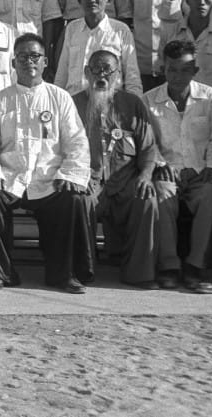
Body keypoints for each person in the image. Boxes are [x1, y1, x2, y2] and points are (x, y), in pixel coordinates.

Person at [0, 34, 92, 293]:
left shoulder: (60, 98)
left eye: (34, 56)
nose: (29, 62)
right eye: (23, 57)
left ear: (45, 61)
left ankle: (64, 274)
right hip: (11, 178)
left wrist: (69, 174)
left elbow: (77, 141)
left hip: (49, 179)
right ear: (14, 63)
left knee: (72, 199)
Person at [73, 49, 162, 289]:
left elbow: (148, 148)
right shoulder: (74, 104)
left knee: (147, 198)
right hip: (88, 180)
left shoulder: (132, 104)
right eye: (96, 69)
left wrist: (145, 176)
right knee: (78, 200)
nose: (101, 75)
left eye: (108, 70)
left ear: (118, 74)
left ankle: (139, 274)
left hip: (125, 179)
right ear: (86, 73)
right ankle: (84, 271)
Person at [144, 40, 212, 292]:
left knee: (210, 194)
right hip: (168, 169)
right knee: (162, 194)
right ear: (162, 69)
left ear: (195, 70)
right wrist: (159, 162)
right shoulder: (149, 100)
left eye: (184, 70)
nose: (177, 76)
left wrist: (210, 165)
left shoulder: (210, 98)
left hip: (201, 169)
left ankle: (195, 265)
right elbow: (146, 141)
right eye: (171, 70)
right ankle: (169, 265)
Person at [53, 0, 141, 95]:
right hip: (74, 101)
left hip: (109, 101)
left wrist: (134, 106)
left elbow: (132, 75)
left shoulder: (121, 30)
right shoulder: (72, 28)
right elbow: (62, 73)